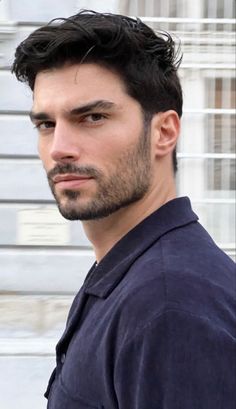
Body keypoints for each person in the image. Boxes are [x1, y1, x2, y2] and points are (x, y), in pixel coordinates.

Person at [12, 10, 235, 409]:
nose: (59, 147)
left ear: (163, 132)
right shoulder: (127, 272)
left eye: (92, 117)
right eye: (46, 124)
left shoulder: (172, 306)